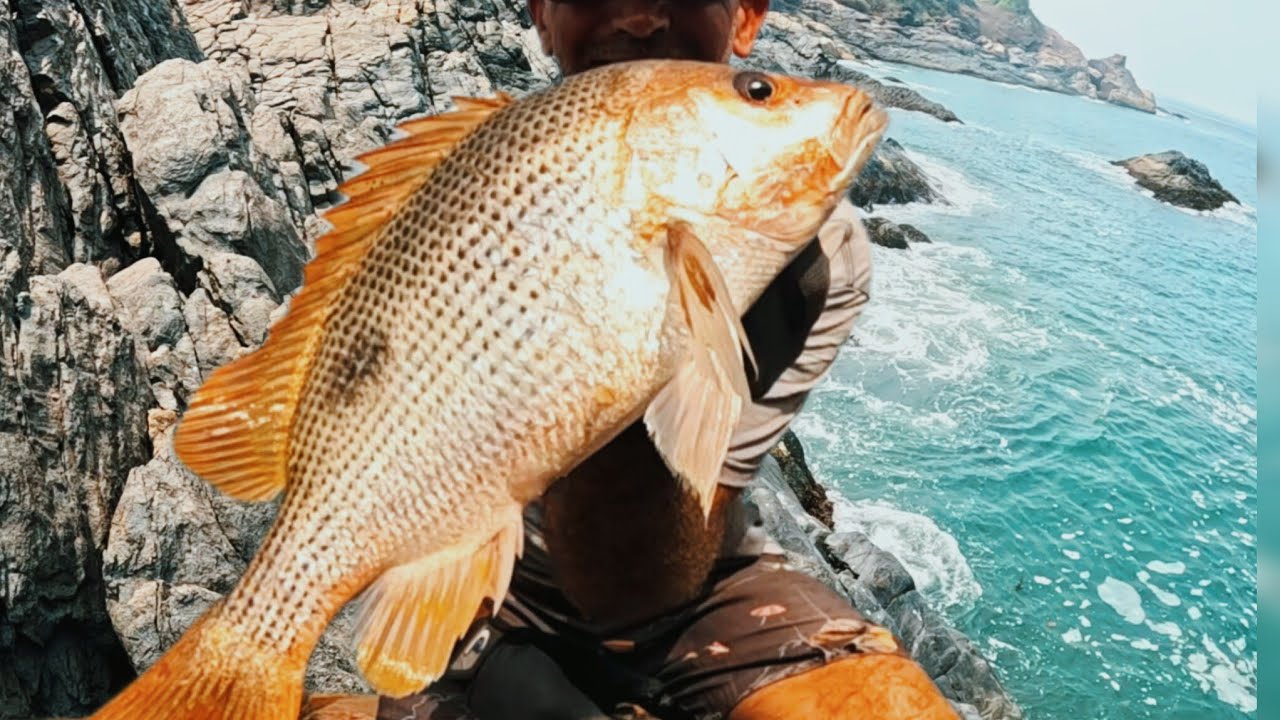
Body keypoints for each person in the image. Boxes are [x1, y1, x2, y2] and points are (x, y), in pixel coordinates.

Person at [305, 1, 957, 718]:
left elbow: (650, 579)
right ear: (542, 20)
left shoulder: (821, 261)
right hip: (475, 570)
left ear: (746, 17)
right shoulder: (498, 182)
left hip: (687, 577)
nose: (642, 17)